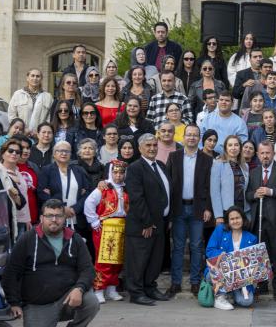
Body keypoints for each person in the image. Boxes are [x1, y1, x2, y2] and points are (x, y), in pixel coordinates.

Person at [2, 198, 99, 327]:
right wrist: (13, 302)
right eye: (49, 215)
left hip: (67, 298)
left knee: (91, 302)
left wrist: (79, 289)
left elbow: (88, 269)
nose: (54, 219)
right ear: (41, 218)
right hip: (38, 304)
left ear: (64, 218)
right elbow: (11, 272)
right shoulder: (27, 239)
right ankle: (45, 325)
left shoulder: (74, 238)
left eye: (58, 215)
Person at [124, 134, 171, 306]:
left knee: (154, 259)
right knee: (139, 260)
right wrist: (147, 222)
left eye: (154, 145)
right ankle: (136, 292)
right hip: (143, 224)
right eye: (148, 145)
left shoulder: (160, 165)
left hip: (160, 222)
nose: (152, 148)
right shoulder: (135, 168)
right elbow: (136, 198)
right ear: (140, 148)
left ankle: (150, 287)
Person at [168, 125, 212, 294]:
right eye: (189, 135)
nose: (192, 138)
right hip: (178, 208)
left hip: (198, 208)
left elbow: (209, 186)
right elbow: (168, 183)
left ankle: (195, 282)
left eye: (195, 135)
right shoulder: (174, 157)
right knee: (178, 247)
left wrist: (208, 207)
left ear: (199, 138)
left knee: (196, 246)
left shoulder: (206, 159)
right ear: (183, 137)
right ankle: (175, 282)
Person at [83, 158, 128, 303]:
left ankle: (112, 289)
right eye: (115, 172)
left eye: (121, 173)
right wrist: (94, 221)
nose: (118, 176)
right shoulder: (103, 188)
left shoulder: (126, 189)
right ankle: (99, 289)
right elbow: (89, 203)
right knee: (104, 260)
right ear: (110, 173)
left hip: (122, 226)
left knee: (117, 261)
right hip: (105, 227)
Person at [245, 141, 276, 298]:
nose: (265, 156)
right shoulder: (253, 172)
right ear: (257, 155)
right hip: (258, 221)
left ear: (273, 153)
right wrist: (255, 195)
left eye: (268, 153)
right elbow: (248, 194)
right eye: (262, 153)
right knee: (260, 253)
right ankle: (262, 284)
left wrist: (271, 192)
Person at [205, 206, 260, 310]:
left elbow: (253, 263)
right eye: (232, 219)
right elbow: (209, 250)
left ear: (243, 219)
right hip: (219, 272)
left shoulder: (251, 238)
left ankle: (230, 293)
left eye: (237, 218)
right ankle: (220, 298)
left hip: (240, 278)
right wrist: (220, 254)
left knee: (247, 301)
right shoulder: (220, 230)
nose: (235, 221)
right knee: (216, 273)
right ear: (228, 221)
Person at [38, 141, 89, 232]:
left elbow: (87, 192)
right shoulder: (47, 170)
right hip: (54, 219)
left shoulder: (79, 170)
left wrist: (75, 209)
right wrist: (61, 209)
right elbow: (42, 193)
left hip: (76, 217)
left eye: (67, 151)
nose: (64, 153)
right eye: (60, 151)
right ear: (54, 154)